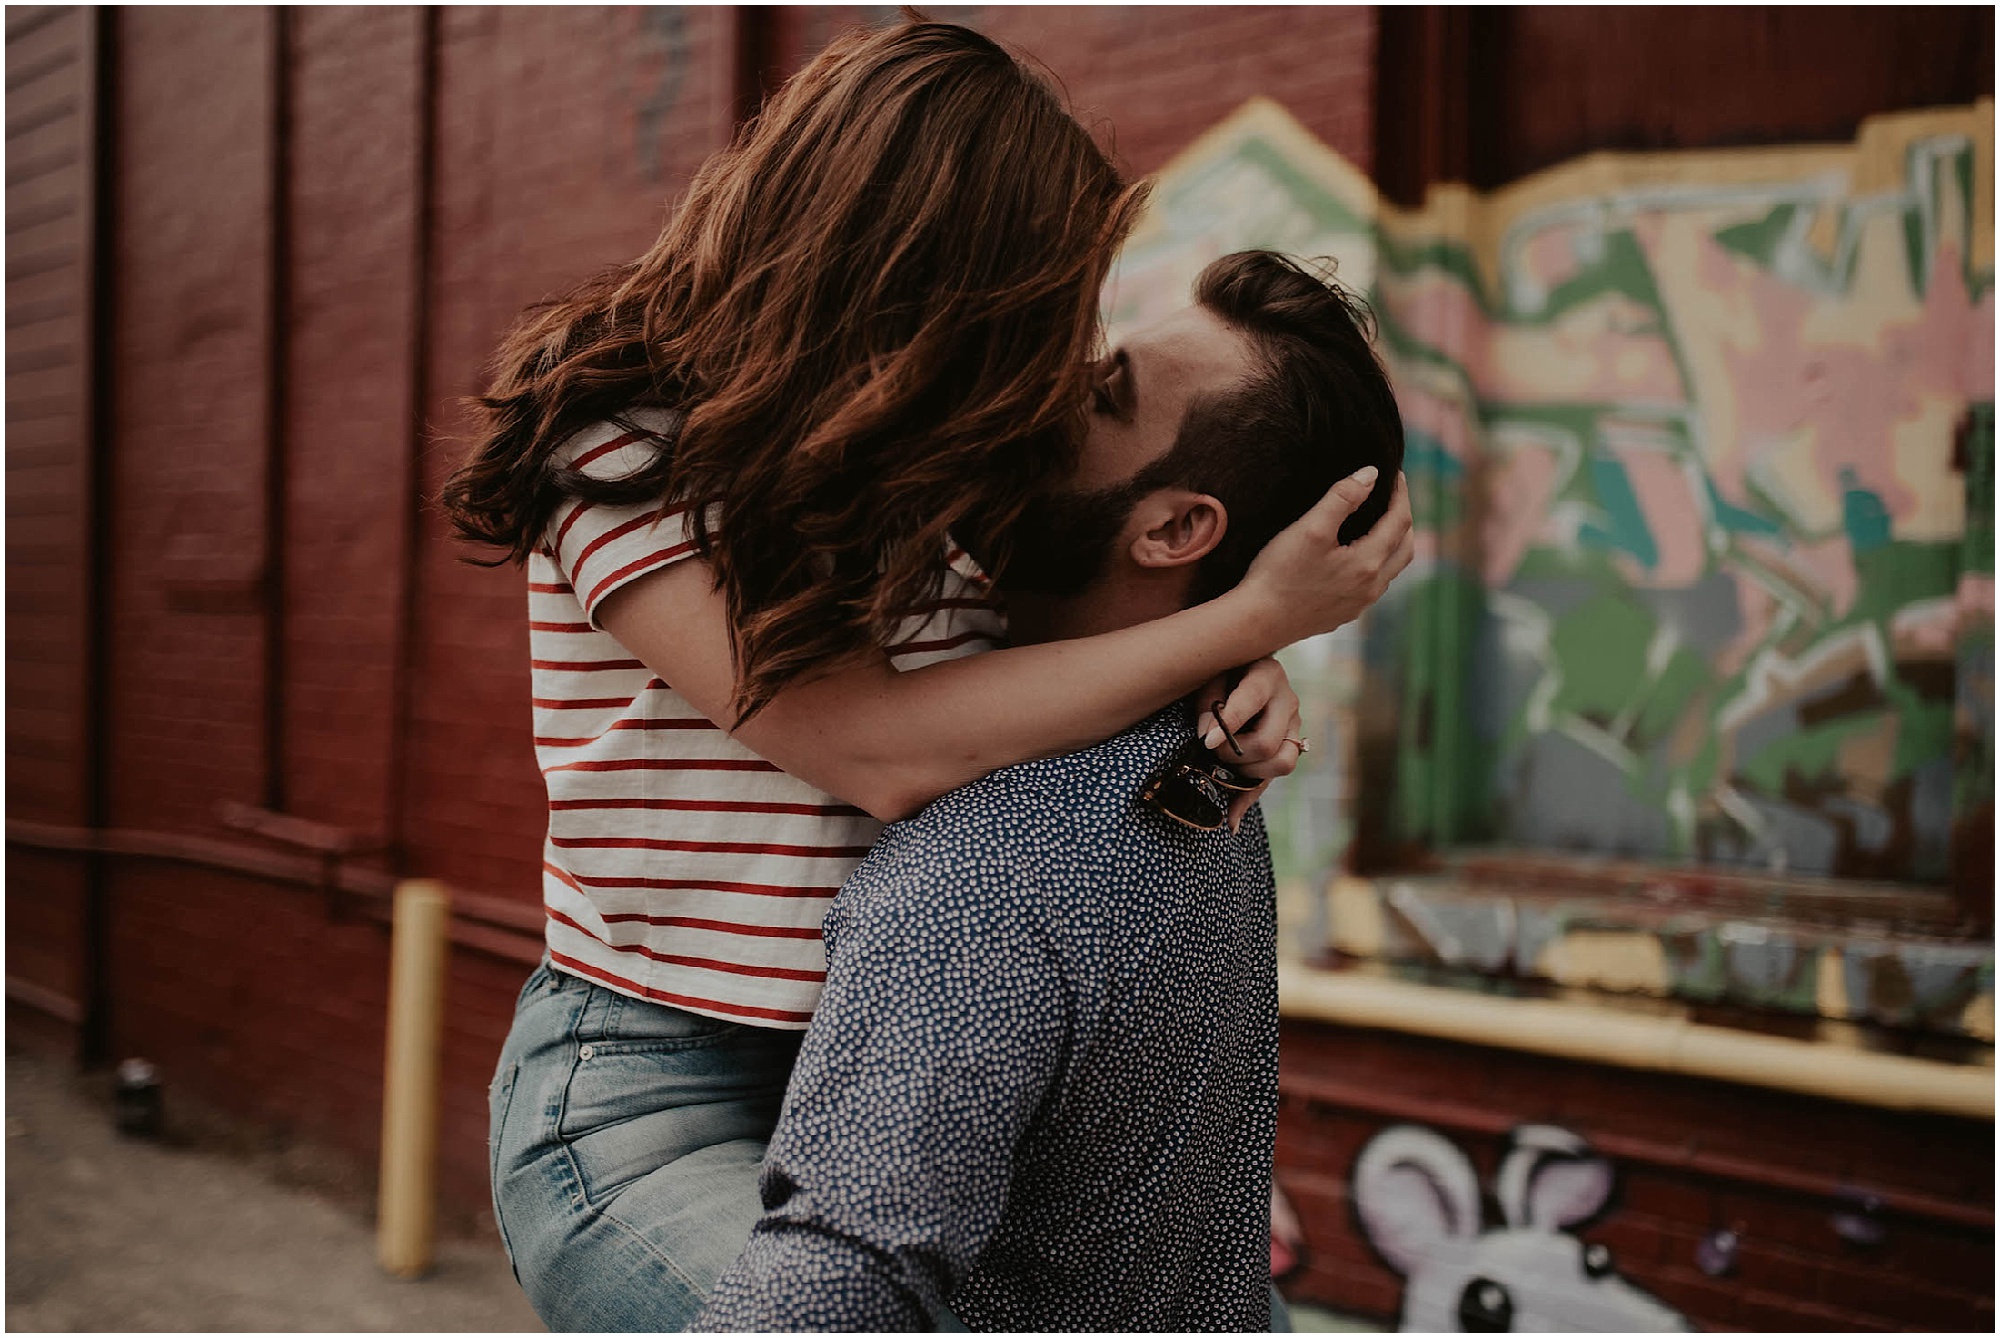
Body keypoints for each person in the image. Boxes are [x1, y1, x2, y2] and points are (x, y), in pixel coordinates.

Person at [446, 17, 1414, 1332]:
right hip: (649, 1093)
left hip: (891, 1095)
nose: (1065, 340)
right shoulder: (623, 445)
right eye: (1044, 294)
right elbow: (876, 746)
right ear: (916, 276)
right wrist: (1234, 624)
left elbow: (1045, 668)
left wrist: (1239, 658)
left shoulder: (931, 470)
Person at [698, 249, 1406, 1332]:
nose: (1040, 387)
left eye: (1100, 392)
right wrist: (1248, 629)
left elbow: (827, 1296)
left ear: (1172, 529)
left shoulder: (982, 882)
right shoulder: (1204, 780)